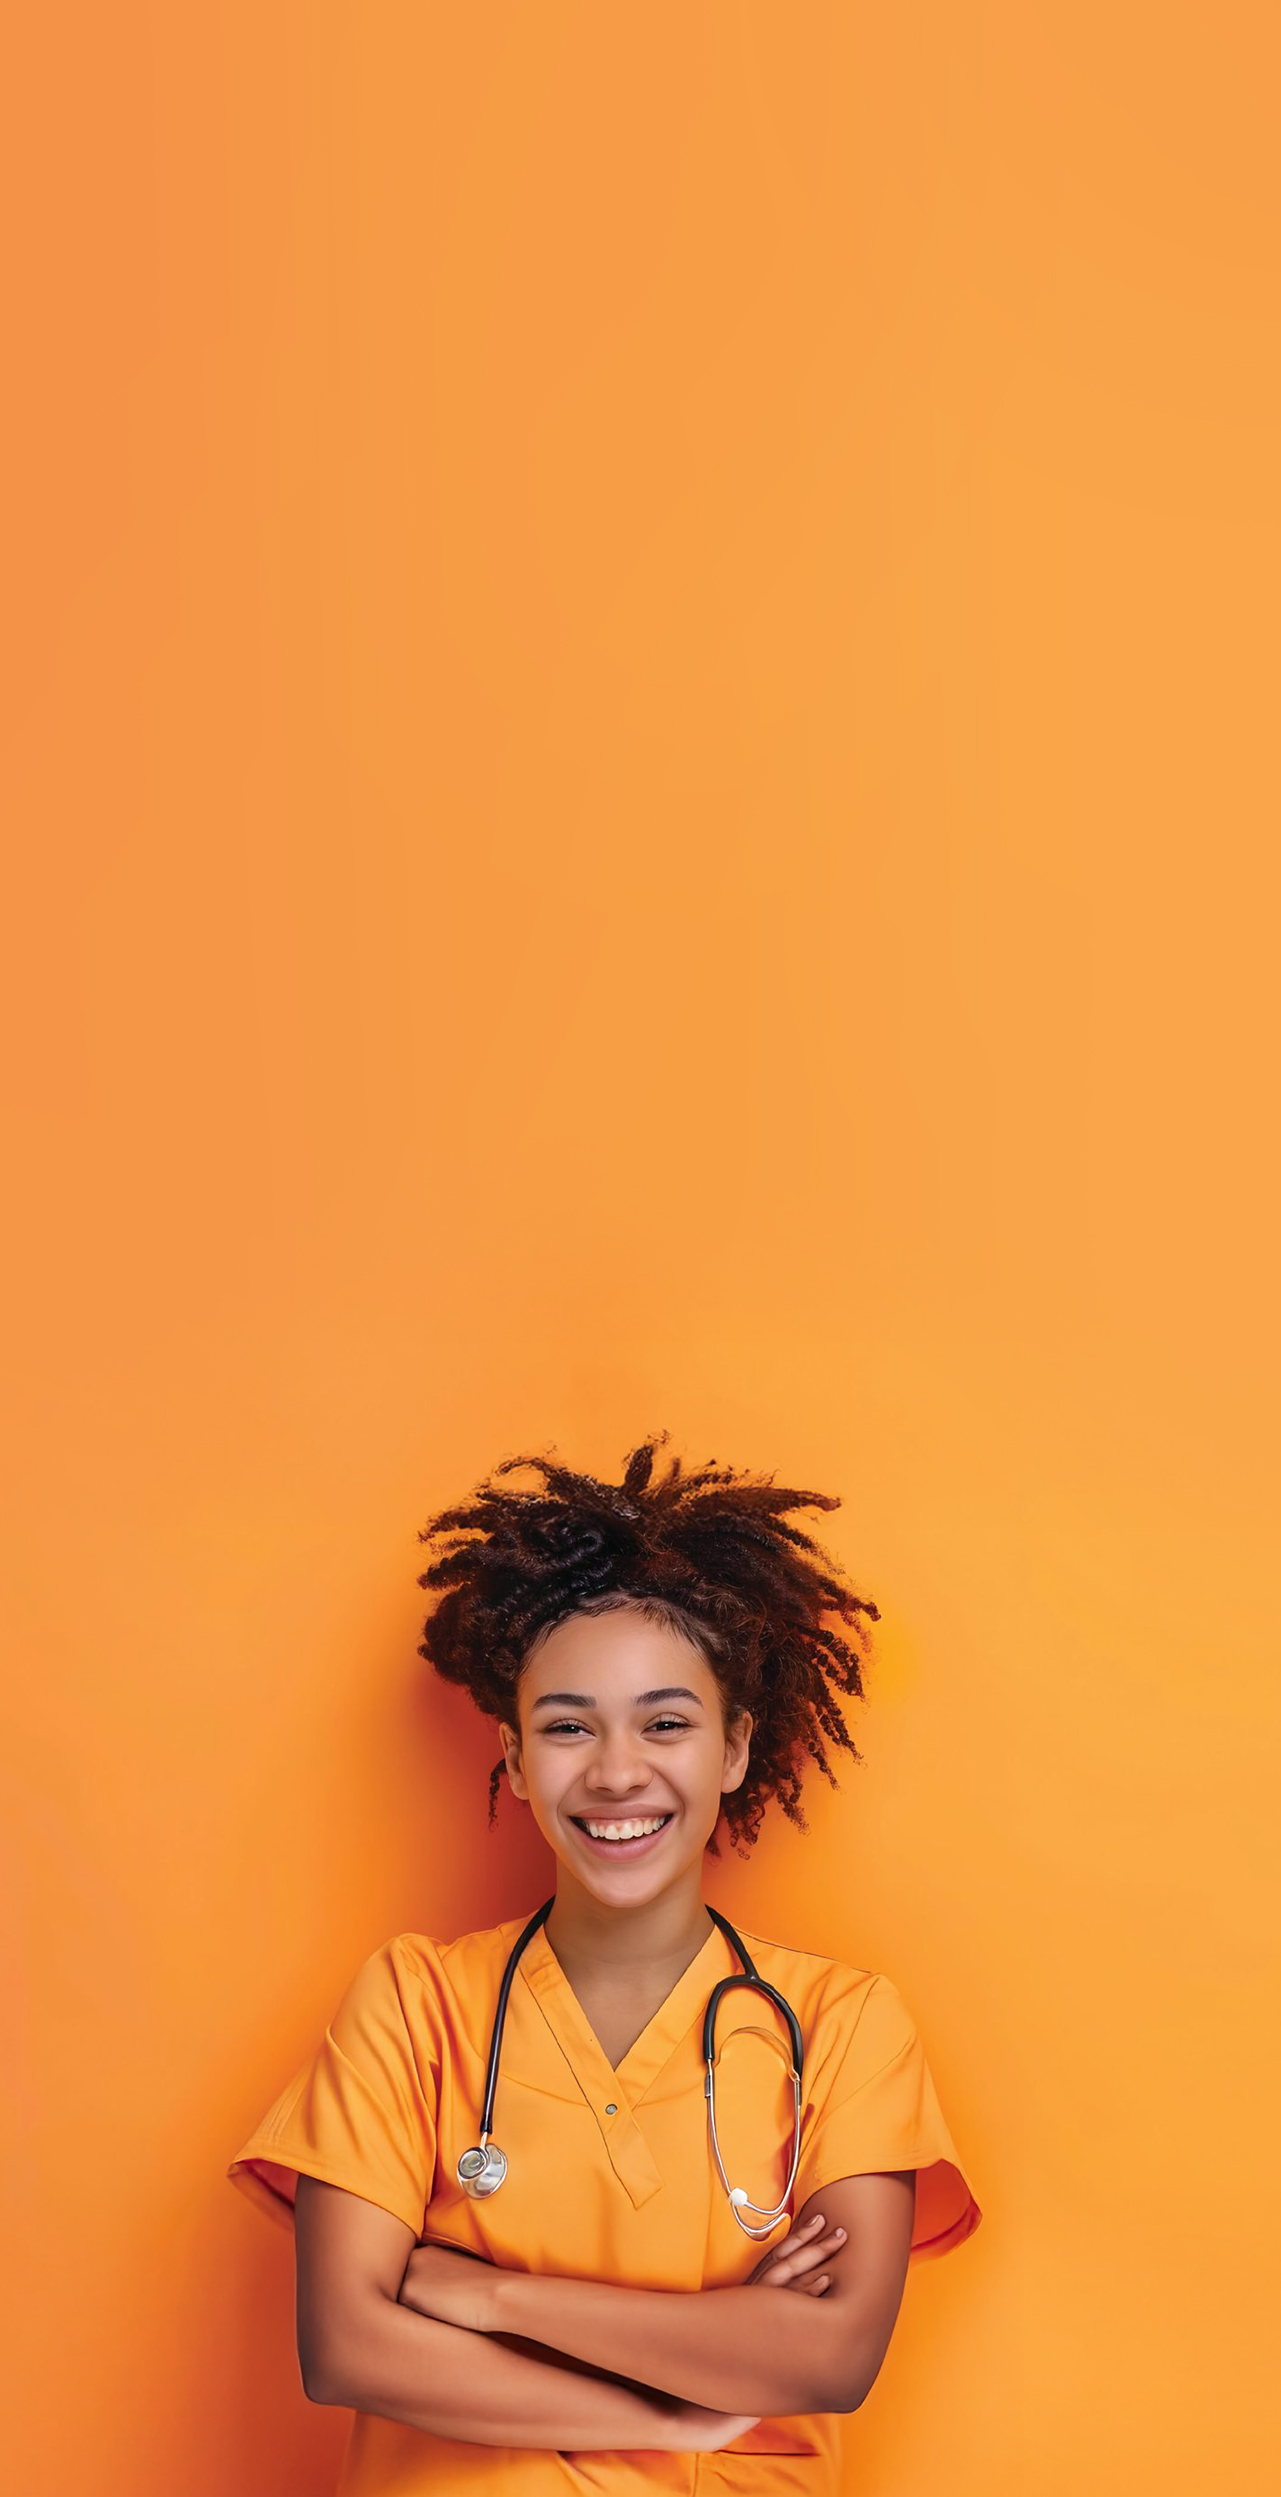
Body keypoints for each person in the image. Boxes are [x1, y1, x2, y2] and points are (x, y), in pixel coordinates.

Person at [228, 1433, 981, 2495]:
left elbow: (829, 2356)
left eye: (665, 1723)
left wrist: (488, 2296)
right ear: (517, 1762)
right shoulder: (413, 2005)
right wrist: (690, 2400)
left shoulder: (843, 2025)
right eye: (568, 1727)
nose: (618, 1772)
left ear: (730, 1750)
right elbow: (347, 2345)